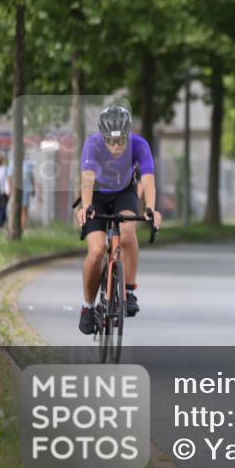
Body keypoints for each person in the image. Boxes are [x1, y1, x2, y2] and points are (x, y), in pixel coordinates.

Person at [76, 106, 162, 334]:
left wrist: (152, 208)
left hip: (125, 193)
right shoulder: (92, 145)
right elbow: (86, 179)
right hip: (97, 195)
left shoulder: (140, 145)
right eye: (110, 142)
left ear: (128, 135)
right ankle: (87, 307)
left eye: (121, 141)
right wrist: (86, 207)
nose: (116, 147)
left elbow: (149, 180)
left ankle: (129, 290)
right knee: (96, 251)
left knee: (127, 233)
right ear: (102, 137)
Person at [7, 153, 39, 231]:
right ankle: (13, 226)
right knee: (16, 208)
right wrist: (10, 189)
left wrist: (34, 188)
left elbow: (32, 177)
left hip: (27, 189)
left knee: (24, 209)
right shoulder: (13, 163)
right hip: (16, 190)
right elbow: (9, 177)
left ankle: (21, 228)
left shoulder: (28, 164)